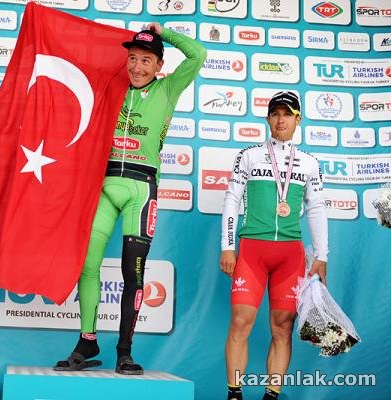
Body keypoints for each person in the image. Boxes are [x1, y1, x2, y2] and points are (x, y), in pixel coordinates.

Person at [54, 22, 206, 375]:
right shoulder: (112, 87)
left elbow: (199, 55)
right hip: (104, 185)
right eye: (133, 59)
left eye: (146, 61)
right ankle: (87, 341)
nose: (137, 67)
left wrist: (164, 33)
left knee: (131, 272)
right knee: (88, 265)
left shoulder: (168, 89)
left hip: (141, 189)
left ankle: (125, 351)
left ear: (159, 66)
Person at [220, 91, 329, 400]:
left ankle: (271, 395)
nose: (281, 120)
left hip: (289, 255)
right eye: (276, 114)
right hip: (252, 251)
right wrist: (228, 246)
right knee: (240, 322)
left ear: (298, 119)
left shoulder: (309, 163)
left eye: (287, 114)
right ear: (268, 119)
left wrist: (321, 256)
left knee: (283, 327)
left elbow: (316, 208)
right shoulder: (249, 155)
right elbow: (232, 200)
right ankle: (234, 394)